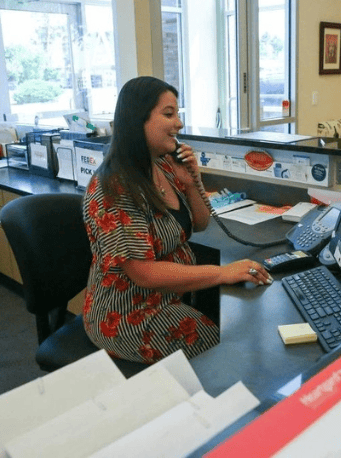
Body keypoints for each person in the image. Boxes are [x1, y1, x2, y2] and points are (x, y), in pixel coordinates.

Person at [82, 76, 272, 364]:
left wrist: (191, 180)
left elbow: (200, 223)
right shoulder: (115, 187)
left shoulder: (161, 164)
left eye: (177, 114)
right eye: (168, 114)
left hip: (168, 297)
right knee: (221, 348)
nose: (179, 124)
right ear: (137, 121)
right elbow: (143, 273)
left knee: (237, 327)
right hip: (128, 312)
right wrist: (222, 272)